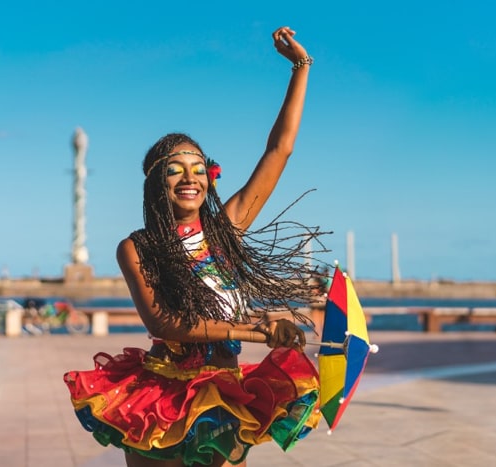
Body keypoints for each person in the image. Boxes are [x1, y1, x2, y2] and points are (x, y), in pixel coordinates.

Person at [64, 26, 327, 466]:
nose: (190, 178)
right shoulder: (138, 247)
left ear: (210, 177)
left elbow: (279, 150)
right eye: (175, 170)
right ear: (156, 184)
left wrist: (301, 68)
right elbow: (167, 323)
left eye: (198, 168)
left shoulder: (227, 230)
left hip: (224, 390)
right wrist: (258, 331)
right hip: (163, 393)